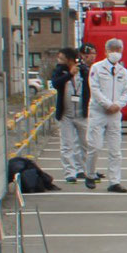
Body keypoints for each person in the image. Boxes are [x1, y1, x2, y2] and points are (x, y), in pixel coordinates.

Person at [85, 38, 127, 192]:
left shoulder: (123, 71)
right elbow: (95, 89)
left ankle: (114, 181)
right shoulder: (97, 68)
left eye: (118, 50)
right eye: (112, 49)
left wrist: (118, 105)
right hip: (98, 112)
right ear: (105, 52)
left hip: (115, 113)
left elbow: (126, 91)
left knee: (115, 150)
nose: (115, 53)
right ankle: (90, 174)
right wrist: (107, 104)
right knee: (95, 146)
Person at [49, 46, 91, 182]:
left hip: (81, 113)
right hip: (66, 114)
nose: (59, 60)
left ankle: (81, 169)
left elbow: (90, 87)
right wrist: (69, 74)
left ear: (70, 59)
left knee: (84, 143)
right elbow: (55, 84)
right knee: (67, 144)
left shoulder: (83, 71)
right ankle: (69, 172)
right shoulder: (59, 71)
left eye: (62, 58)